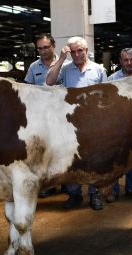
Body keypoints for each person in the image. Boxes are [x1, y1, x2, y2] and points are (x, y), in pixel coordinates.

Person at [46, 36, 107, 210]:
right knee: (72, 159)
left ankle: (94, 194)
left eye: (80, 50)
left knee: (93, 158)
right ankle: (75, 193)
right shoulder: (65, 69)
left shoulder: (98, 70)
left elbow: (107, 95)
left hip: (94, 122)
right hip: (71, 123)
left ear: (86, 51)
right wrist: (61, 59)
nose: (77, 54)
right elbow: (49, 82)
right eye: (73, 51)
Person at [24, 33, 68, 198]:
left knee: (64, 149)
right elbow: (27, 89)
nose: (42, 51)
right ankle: (50, 184)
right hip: (41, 117)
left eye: (46, 47)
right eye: (40, 48)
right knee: (46, 150)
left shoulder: (67, 65)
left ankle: (66, 182)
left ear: (54, 46)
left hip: (63, 116)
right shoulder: (34, 67)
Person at [106, 48, 132, 203]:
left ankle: (130, 187)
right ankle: (113, 190)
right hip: (116, 126)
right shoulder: (111, 79)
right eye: (126, 60)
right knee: (115, 158)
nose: (129, 63)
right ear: (120, 61)